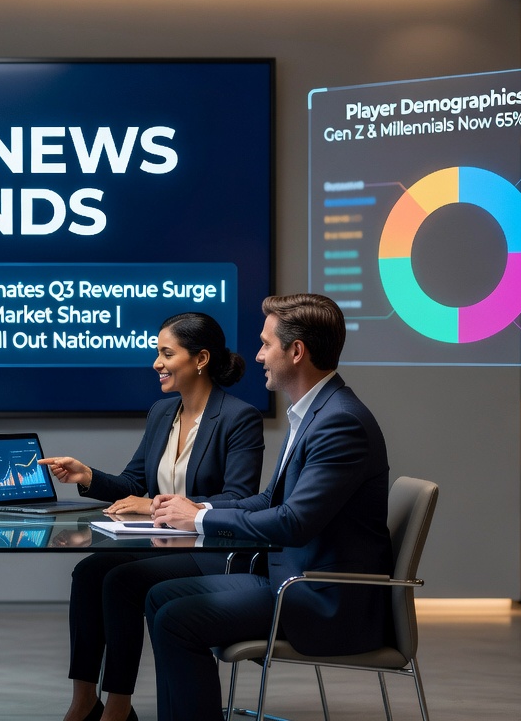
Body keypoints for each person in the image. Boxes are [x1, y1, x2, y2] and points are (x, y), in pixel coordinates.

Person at [144, 293, 392, 721]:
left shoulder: (340, 421)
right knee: (159, 596)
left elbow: (294, 523)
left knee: (176, 620)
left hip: (324, 600)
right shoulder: (313, 412)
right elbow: (272, 500)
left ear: (296, 352)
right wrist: (196, 507)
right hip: (292, 580)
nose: (258, 356)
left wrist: (200, 518)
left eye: (266, 344)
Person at [41, 312, 263, 721]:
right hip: (167, 543)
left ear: (200, 359)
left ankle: (119, 707)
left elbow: (239, 498)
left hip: (212, 548)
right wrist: (87, 475)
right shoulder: (162, 412)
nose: (156, 363)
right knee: (89, 572)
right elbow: (133, 483)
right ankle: (84, 700)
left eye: (166, 353)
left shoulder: (239, 417)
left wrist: (157, 505)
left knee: (121, 580)